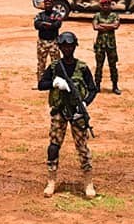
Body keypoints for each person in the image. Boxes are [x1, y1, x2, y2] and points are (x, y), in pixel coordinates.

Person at [38, 31, 99, 197]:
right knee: (53, 147)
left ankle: (88, 182)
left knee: (82, 148)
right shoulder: (55, 67)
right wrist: (54, 83)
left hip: (77, 113)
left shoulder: (82, 68)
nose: (67, 49)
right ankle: (51, 180)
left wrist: (84, 103)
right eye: (64, 46)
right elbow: (41, 84)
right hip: (59, 112)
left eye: (70, 46)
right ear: (60, 47)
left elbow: (93, 89)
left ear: (74, 47)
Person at [92, 0, 121, 94]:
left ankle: (115, 86)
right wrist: (109, 26)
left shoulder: (114, 15)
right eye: (103, 5)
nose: (105, 7)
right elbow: (95, 27)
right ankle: (97, 85)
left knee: (113, 66)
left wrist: (102, 25)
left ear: (110, 5)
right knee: (99, 66)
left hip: (111, 45)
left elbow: (115, 26)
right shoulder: (97, 15)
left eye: (107, 5)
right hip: (100, 45)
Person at [34, 0, 63, 83]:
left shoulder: (57, 14)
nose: (48, 5)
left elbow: (57, 25)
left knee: (56, 63)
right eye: (46, 3)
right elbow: (36, 25)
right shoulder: (40, 15)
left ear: (52, 4)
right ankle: (40, 81)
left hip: (53, 42)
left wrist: (45, 25)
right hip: (42, 42)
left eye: (49, 3)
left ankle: (56, 81)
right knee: (41, 63)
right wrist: (49, 25)